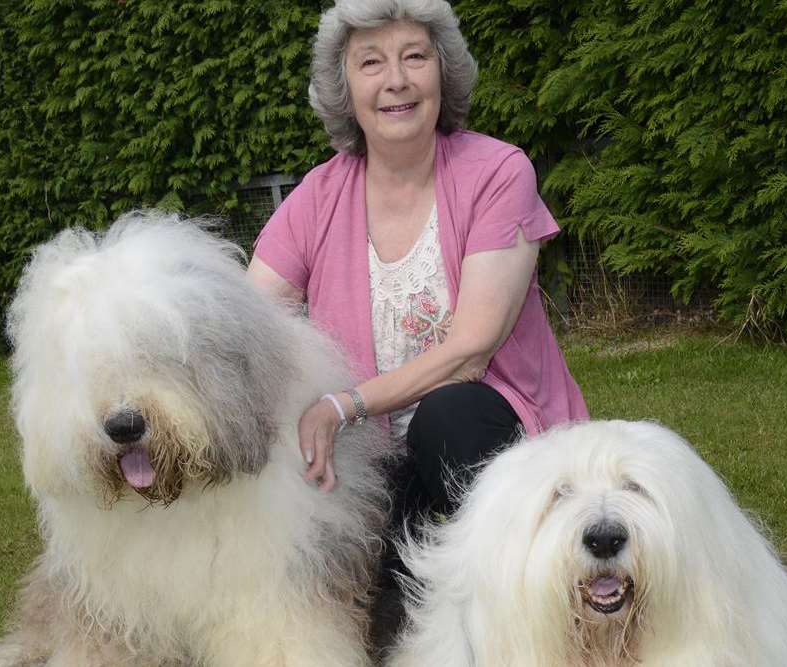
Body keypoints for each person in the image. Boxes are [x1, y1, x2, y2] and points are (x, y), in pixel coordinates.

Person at [246, 0, 588, 644]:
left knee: (448, 413)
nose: (396, 80)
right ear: (345, 88)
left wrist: (338, 405)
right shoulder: (315, 198)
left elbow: (470, 351)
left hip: (487, 440)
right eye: (370, 62)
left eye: (414, 57)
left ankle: (522, 603)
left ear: (443, 74)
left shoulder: (497, 171)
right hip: (373, 464)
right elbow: (248, 327)